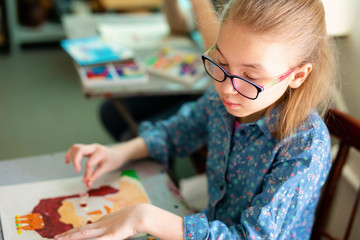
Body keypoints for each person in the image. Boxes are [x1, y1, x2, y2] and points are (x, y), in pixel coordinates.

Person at [55, 0, 336, 239]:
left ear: (298, 76)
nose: (226, 88)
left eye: (250, 77)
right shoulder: (224, 101)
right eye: (222, 63)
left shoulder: (305, 146)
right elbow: (179, 130)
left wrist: (146, 218)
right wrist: (120, 152)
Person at [100, 0, 222, 141]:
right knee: (110, 113)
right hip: (193, 82)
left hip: (214, 93)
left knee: (136, 136)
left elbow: (219, 59)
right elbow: (179, 27)